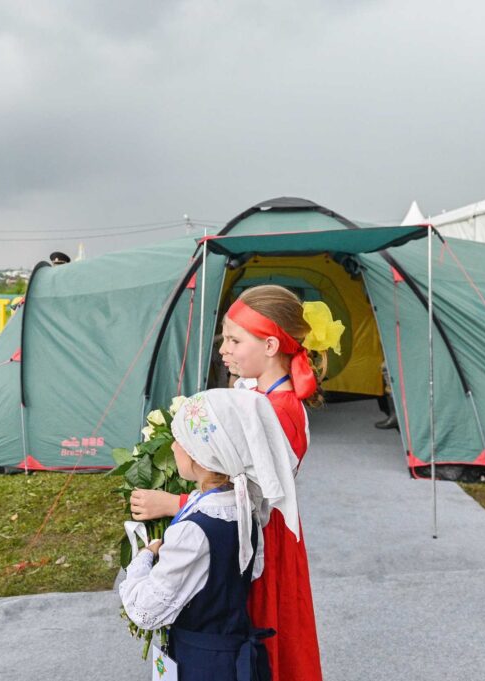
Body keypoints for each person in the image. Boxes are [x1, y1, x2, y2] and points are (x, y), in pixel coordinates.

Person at [131, 285, 341, 681]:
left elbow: (243, 497)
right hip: (252, 528)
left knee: (259, 643)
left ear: (271, 345)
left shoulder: (278, 411)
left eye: (234, 340)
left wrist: (174, 504)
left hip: (259, 537)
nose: (223, 349)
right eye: (224, 339)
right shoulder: (259, 394)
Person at [120, 389, 301, 681]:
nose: (174, 448)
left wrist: (144, 558)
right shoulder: (243, 506)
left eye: (179, 441)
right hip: (231, 655)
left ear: (202, 457)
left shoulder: (195, 530)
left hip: (202, 665)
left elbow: (145, 609)